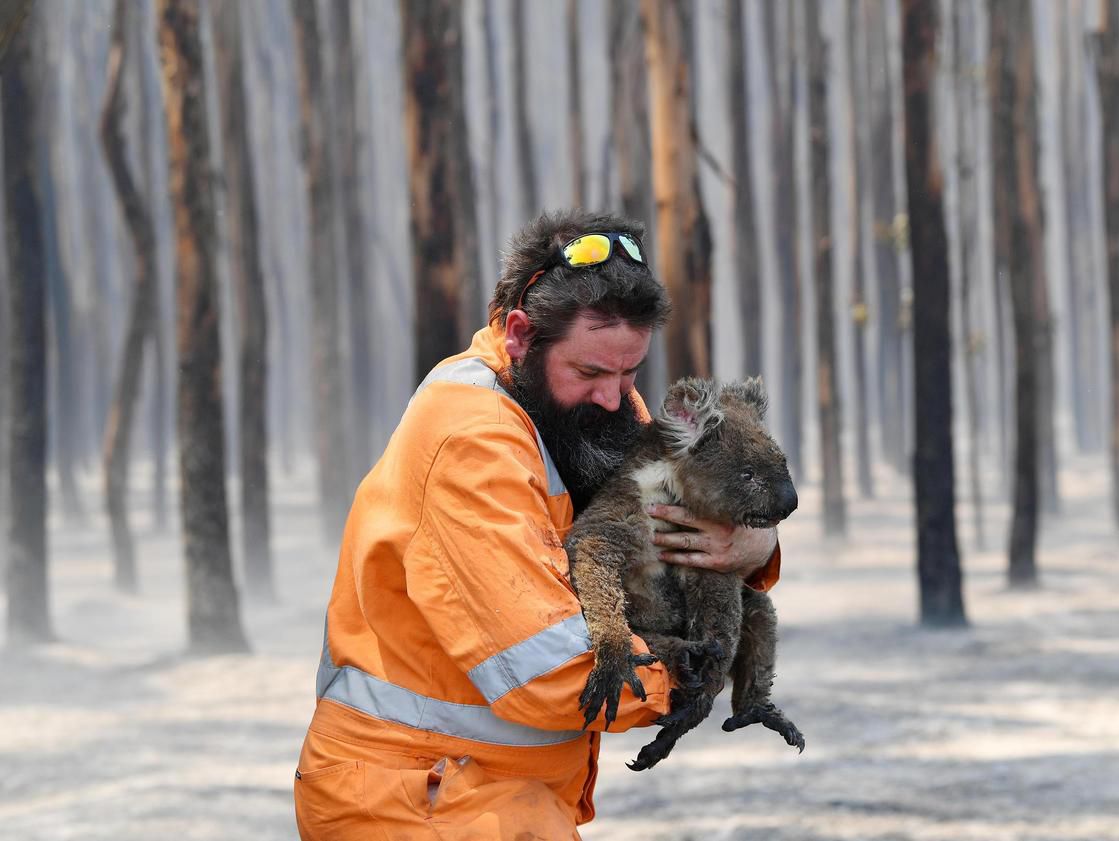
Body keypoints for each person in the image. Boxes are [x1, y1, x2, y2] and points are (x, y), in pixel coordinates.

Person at [293, 210, 782, 840]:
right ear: (521, 335)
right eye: (591, 373)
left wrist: (753, 547)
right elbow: (547, 671)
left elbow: (682, 518)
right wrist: (692, 673)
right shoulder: (473, 440)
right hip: (412, 802)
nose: (617, 396)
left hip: (494, 794)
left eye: (631, 371)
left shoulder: (586, 410)